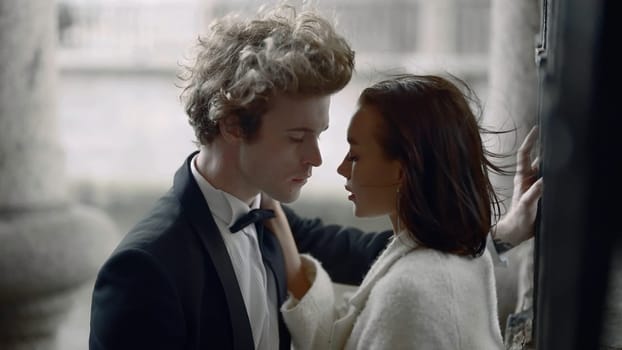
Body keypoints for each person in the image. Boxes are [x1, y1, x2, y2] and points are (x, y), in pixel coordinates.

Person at [89, 5, 541, 350]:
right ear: (231, 125)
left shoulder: (271, 220)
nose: (318, 158)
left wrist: (506, 231)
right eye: (297, 137)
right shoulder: (144, 269)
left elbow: (385, 256)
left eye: (320, 134)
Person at [262, 74, 544, 349]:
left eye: (355, 155)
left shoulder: (410, 291)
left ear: (401, 170)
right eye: (295, 137)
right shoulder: (439, 265)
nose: (339, 168)